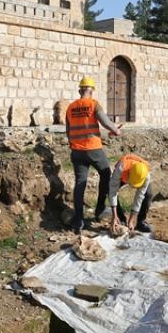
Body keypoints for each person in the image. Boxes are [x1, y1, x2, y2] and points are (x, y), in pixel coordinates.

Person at [64, 75, 123, 234]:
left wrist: (74, 145)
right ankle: (100, 210)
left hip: (77, 151)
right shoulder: (93, 104)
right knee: (106, 174)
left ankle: (78, 220)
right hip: (93, 148)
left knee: (80, 183)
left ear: (80, 90)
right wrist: (116, 130)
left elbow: (69, 131)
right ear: (91, 90)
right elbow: (104, 121)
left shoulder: (70, 107)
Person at [104, 152, 153, 234]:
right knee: (109, 190)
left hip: (137, 177)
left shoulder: (146, 175)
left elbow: (139, 197)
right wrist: (114, 215)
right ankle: (119, 219)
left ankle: (141, 222)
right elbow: (113, 191)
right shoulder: (121, 168)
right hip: (123, 175)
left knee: (148, 194)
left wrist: (131, 219)